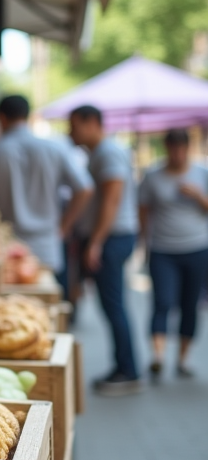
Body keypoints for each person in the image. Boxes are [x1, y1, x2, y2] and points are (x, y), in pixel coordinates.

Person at [0, 95, 92, 276]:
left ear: (1, 117)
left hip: (5, 248)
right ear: (28, 116)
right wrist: (64, 227)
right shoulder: (54, 149)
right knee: (49, 299)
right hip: (47, 245)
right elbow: (85, 188)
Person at [69, 104, 142, 396]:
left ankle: (128, 370)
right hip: (109, 237)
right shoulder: (100, 153)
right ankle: (124, 367)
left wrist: (96, 242)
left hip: (112, 238)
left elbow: (112, 201)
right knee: (112, 305)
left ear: (91, 123)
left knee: (114, 305)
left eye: (74, 125)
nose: (70, 131)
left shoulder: (108, 153)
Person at [138, 128, 208, 379]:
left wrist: (198, 195)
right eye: (172, 148)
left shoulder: (201, 173)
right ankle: (158, 356)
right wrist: (143, 243)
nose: (177, 154)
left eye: (181, 148)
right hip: (162, 249)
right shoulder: (153, 176)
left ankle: (183, 358)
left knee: (190, 304)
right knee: (162, 302)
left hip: (197, 248)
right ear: (166, 148)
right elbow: (143, 210)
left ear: (187, 149)